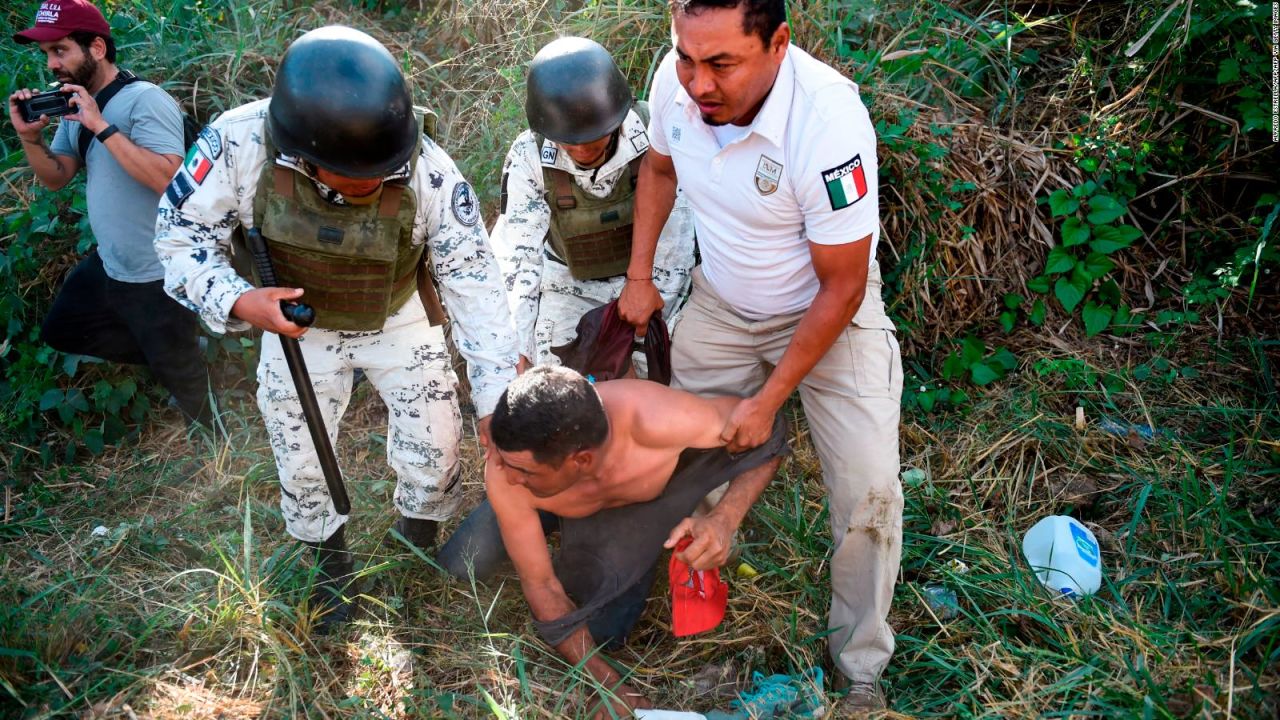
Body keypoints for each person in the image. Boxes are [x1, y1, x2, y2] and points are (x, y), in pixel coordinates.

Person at [153, 26, 520, 629]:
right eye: (357, 176)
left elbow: (478, 291)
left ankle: (415, 539)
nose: (376, 184)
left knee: (437, 442)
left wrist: (494, 401)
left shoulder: (427, 169)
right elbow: (179, 237)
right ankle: (328, 563)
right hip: (297, 326)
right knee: (300, 452)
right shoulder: (239, 143)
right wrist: (242, 300)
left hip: (399, 314)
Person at [616, 0, 904, 711]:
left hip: (825, 313)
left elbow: (840, 288)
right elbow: (658, 171)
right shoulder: (675, 82)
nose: (697, 83)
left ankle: (859, 663)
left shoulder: (829, 123)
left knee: (868, 486)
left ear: (779, 44)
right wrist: (640, 275)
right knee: (690, 459)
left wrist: (768, 400)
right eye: (686, 57)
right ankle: (705, 600)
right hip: (722, 298)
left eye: (720, 64)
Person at [437, 366, 787, 717]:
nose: (506, 475)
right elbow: (541, 585)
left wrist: (724, 518)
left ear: (582, 460)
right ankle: (543, 514)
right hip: (543, 499)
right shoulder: (506, 473)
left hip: (631, 512)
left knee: (605, 632)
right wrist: (607, 684)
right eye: (507, 461)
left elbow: (768, 430)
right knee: (460, 564)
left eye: (524, 470)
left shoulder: (654, 418)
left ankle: (634, 547)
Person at [8, 0, 211, 425]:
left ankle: (212, 430)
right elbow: (58, 176)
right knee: (62, 328)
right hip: (112, 263)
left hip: (157, 269)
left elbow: (169, 179)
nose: (50, 64)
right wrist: (29, 139)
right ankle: (178, 354)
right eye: (46, 53)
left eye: (60, 50)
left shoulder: (145, 101)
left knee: (192, 393)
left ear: (97, 47)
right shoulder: (73, 104)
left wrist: (100, 125)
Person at [490, 37, 695, 372]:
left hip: (656, 277)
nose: (583, 151)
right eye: (571, 144)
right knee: (555, 386)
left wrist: (648, 312)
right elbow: (518, 257)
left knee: (662, 375)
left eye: (593, 139)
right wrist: (518, 346)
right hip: (569, 283)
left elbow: (677, 240)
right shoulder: (530, 155)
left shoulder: (651, 133)